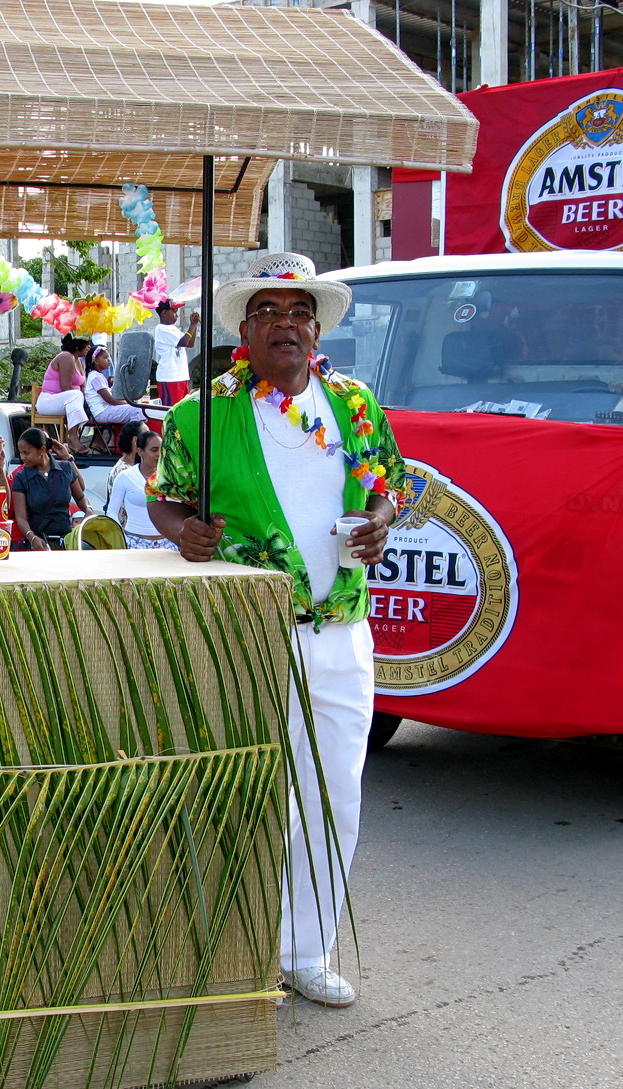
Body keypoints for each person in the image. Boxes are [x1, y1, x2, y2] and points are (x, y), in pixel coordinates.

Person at [148, 251, 401, 1009]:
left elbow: (389, 487)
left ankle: (303, 948)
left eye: (298, 313)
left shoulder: (355, 404)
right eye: (267, 312)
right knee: (246, 793)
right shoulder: (203, 411)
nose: (284, 325)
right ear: (244, 331)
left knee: (334, 796)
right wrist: (181, 530)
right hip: (248, 633)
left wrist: (381, 525)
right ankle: (227, 947)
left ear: (315, 329)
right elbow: (166, 501)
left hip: (342, 632)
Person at [11, 426, 91, 551]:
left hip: (66, 541)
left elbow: (80, 496)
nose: (22, 457)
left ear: (42, 450)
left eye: (26, 453)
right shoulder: (22, 477)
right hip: (40, 544)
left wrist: (88, 509)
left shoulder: (65, 468)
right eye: (20, 452)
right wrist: (32, 537)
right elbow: (20, 517)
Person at [107, 430, 176, 550]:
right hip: (134, 542)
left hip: (167, 544)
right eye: (154, 450)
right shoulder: (126, 476)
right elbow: (112, 512)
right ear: (140, 451)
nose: (158, 454)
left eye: (161, 450)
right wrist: (122, 538)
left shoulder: (170, 477)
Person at [37, 335, 90, 455]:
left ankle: (98, 442)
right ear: (77, 345)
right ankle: (73, 437)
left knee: (83, 398)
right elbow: (66, 387)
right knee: (76, 395)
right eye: (86, 344)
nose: (89, 346)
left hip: (69, 401)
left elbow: (83, 388)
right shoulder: (66, 357)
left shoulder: (80, 362)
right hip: (48, 401)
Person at [83, 345, 147, 431]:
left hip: (103, 411)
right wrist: (130, 403)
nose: (109, 360)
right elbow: (110, 400)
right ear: (96, 360)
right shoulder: (95, 377)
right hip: (101, 412)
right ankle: (130, 437)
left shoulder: (97, 375)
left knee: (139, 410)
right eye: (105, 357)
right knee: (139, 410)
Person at [152, 300, 200, 406]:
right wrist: (192, 324)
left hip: (180, 375)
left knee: (182, 409)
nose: (176, 315)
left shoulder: (174, 329)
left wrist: (195, 325)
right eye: (174, 311)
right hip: (170, 377)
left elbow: (190, 343)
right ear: (164, 312)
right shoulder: (161, 329)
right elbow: (183, 342)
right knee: (171, 409)